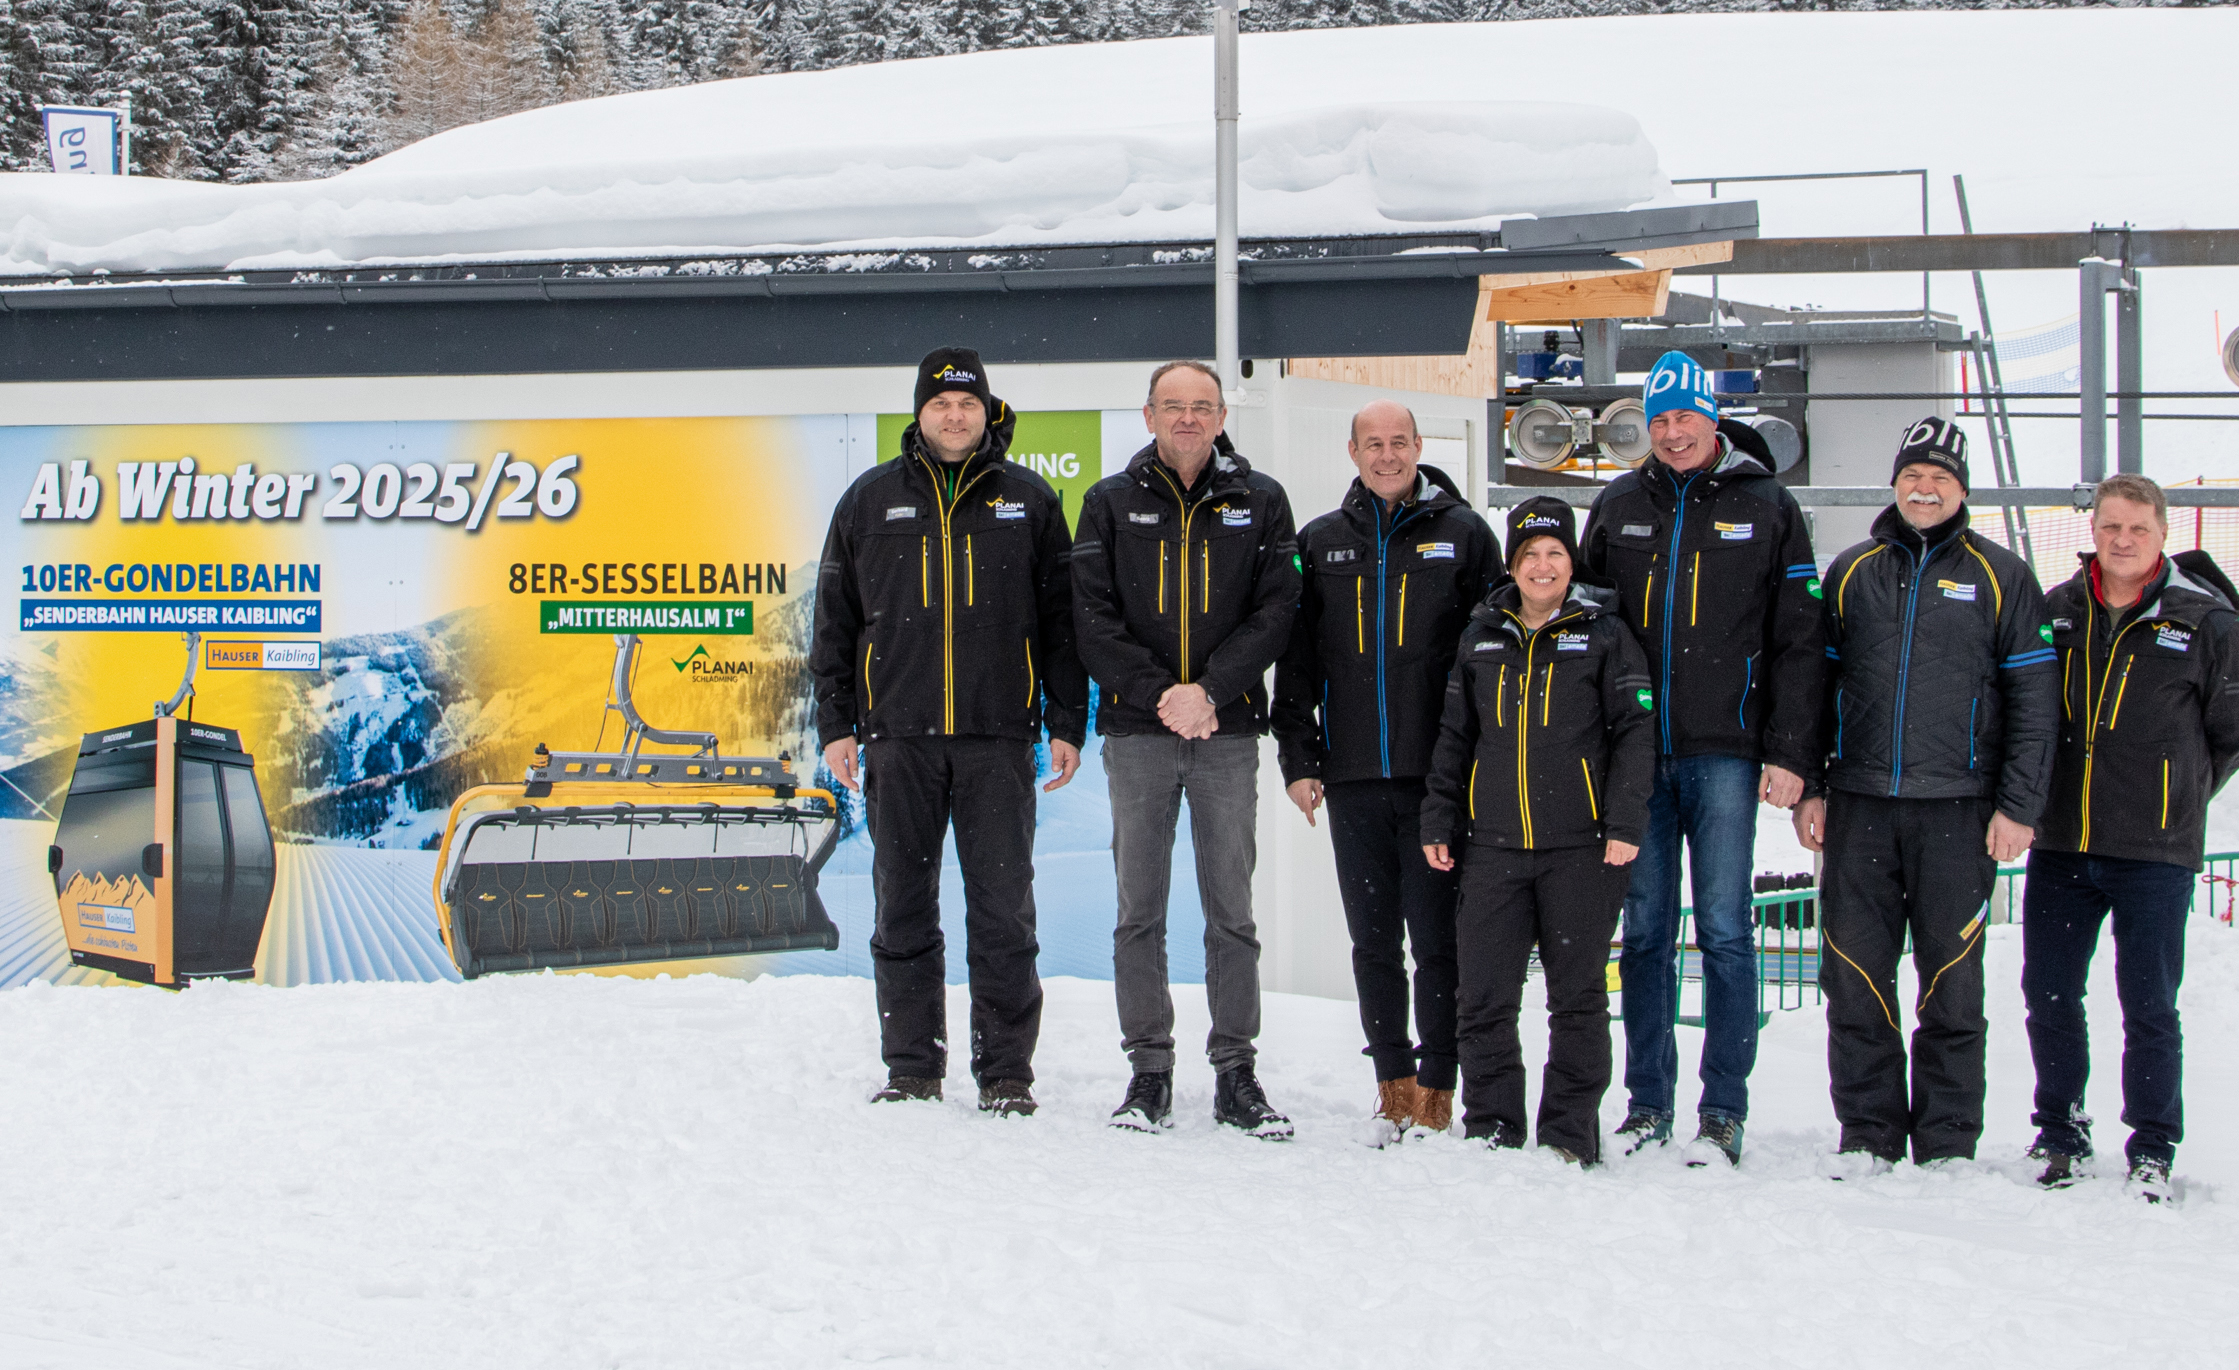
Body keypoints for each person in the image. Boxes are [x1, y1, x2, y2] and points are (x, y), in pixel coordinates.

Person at [810, 346, 1087, 1116]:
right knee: (902, 905)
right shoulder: (868, 501)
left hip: (998, 739)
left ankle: (1004, 1075)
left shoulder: (1027, 500)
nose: (954, 415)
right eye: (940, 404)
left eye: (967, 404)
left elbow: (1062, 627)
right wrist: (838, 723)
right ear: (920, 412)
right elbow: (834, 621)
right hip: (897, 740)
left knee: (1003, 911)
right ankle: (911, 1069)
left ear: (986, 411)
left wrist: (1066, 721)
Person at [1579, 351, 1826, 1166]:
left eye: (1684, 417)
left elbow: (1798, 640)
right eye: (1658, 420)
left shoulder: (1767, 506)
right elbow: (1585, 634)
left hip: (1726, 752)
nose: (1672, 432)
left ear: (1711, 421)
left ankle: (1722, 1108)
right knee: (1644, 932)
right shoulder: (1617, 504)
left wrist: (1789, 752)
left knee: (1724, 930)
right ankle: (1646, 1103)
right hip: (1638, 755)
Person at [1792, 417, 2057, 1175]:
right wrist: (1811, 783)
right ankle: (1869, 1133)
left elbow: (2034, 699)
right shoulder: (1850, 570)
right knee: (1853, 973)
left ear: (1960, 491)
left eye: (1939, 477)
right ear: (1895, 483)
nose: (1924, 488)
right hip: (1860, 804)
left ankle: (1945, 1139)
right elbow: (1812, 687)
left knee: (1950, 979)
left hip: (1958, 809)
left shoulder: (2000, 576)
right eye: (1913, 475)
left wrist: (2018, 806)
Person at [1072, 359, 1303, 1138]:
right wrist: (1160, 696)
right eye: (1172, 406)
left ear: (1219, 415)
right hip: (1139, 736)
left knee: (1229, 913)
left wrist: (1208, 691)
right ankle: (1149, 1071)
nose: (1187, 419)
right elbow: (1091, 620)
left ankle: (1236, 1071)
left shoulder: (1259, 500)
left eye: (1201, 406)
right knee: (1139, 911)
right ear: (1147, 416)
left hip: (1226, 733)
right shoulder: (1107, 503)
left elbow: (1277, 612)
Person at [1271, 400, 1502, 1141]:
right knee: (1372, 943)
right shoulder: (1321, 542)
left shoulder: (1463, 535)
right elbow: (1297, 666)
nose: (1386, 455)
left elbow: (1491, 662)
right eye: (1372, 444)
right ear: (1351, 451)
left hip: (1436, 782)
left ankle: (1438, 1090)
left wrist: (1475, 766)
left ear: (1417, 447)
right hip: (1349, 780)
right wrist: (1299, 759)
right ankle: (1393, 1088)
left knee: (1437, 943)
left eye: (1398, 442)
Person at [2022, 473, 2239, 1201]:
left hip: (2153, 852)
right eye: (2110, 526)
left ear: (2162, 535)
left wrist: (2173, 797)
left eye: (2136, 529)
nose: (2121, 540)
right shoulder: (2055, 612)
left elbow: (2226, 732)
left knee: (2148, 1004)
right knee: (2049, 993)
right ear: (2093, 531)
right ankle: (2060, 1130)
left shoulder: (2204, 622)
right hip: (2061, 845)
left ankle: (2150, 1144)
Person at [1419, 497, 1654, 1164]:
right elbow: (1454, 737)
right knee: (1483, 995)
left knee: (1576, 998)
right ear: (1512, 565)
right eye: (1529, 555)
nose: (1542, 565)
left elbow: (1636, 734)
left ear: (1570, 561)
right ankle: (1493, 1122)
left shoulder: (1603, 633)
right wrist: (1439, 816)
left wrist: (1623, 821)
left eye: (1554, 553)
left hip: (1579, 848)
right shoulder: (1482, 634)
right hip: (1492, 847)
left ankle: (1568, 1132)